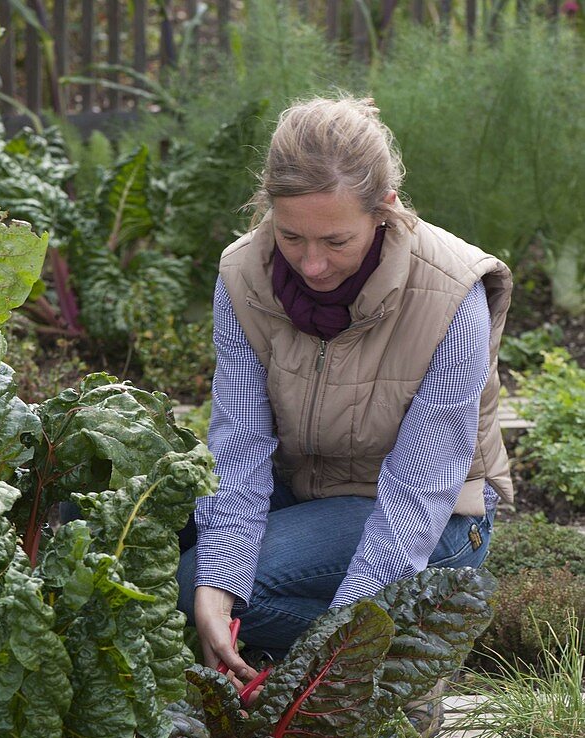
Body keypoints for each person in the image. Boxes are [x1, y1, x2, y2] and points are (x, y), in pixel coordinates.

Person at [177, 94, 513, 703]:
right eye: (290, 236)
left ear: (383, 210)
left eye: (336, 241)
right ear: (267, 209)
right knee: (186, 570)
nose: (310, 264)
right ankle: (380, 648)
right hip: (308, 487)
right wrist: (220, 581)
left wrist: (344, 648)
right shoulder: (242, 276)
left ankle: (402, 666)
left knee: (188, 587)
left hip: (433, 519)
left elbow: (418, 492)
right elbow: (241, 445)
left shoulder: (450, 295)